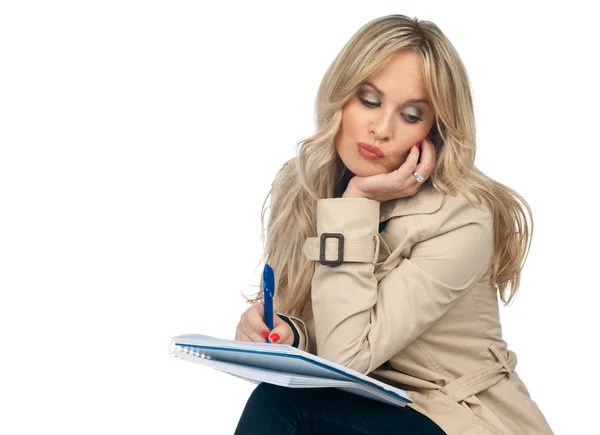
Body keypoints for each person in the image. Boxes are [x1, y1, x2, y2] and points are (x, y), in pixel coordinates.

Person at [233, 14, 553, 435]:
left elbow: (346, 357)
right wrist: (284, 333)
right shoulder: (303, 187)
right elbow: (327, 332)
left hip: (452, 417)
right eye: (368, 101)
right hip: (362, 407)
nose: (380, 129)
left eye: (410, 114)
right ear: (340, 96)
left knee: (284, 405)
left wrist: (358, 202)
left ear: (434, 131)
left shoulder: (463, 216)